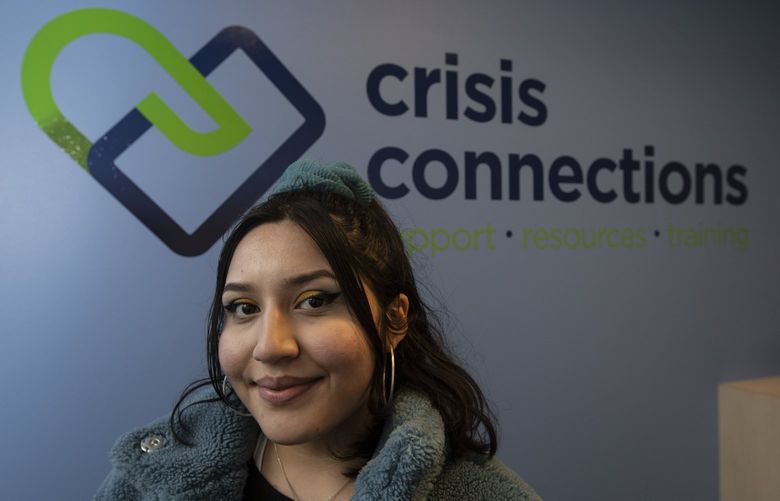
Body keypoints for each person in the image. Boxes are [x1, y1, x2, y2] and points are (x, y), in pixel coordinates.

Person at [96, 160, 541, 500]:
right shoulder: (147, 480)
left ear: (395, 320)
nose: (271, 346)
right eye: (243, 307)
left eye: (314, 301)